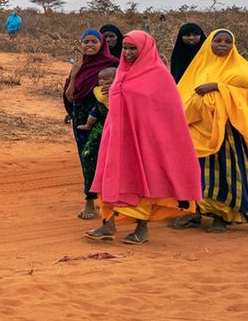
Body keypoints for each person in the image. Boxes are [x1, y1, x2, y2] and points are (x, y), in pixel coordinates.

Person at [86, 31, 202, 245]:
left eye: (133, 49)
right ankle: (108, 224)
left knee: (141, 180)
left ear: (145, 49)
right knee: (110, 176)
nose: (128, 53)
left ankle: (142, 228)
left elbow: (167, 113)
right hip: (117, 136)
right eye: (125, 48)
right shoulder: (121, 72)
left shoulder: (159, 76)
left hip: (144, 140)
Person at [173, 29, 248, 232]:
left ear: (233, 45)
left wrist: (218, 87)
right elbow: (183, 95)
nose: (222, 44)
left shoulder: (241, 68)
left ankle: (221, 216)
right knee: (195, 171)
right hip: (198, 129)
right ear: (208, 44)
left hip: (228, 132)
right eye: (217, 41)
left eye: (227, 41)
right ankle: (194, 212)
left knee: (223, 173)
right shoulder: (199, 66)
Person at [62, 29, 118, 219]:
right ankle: (92, 200)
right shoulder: (80, 67)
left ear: (101, 44)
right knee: (84, 156)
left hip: (103, 118)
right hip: (80, 117)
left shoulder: (113, 66)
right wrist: (75, 75)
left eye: (94, 42)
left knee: (92, 154)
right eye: (86, 42)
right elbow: (71, 96)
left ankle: (103, 200)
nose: (90, 45)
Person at [76, 66, 117, 200]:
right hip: (100, 119)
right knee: (88, 155)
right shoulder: (97, 88)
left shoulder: (121, 81)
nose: (103, 82)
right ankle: (92, 195)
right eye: (101, 80)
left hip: (119, 123)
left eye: (107, 80)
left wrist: (119, 88)